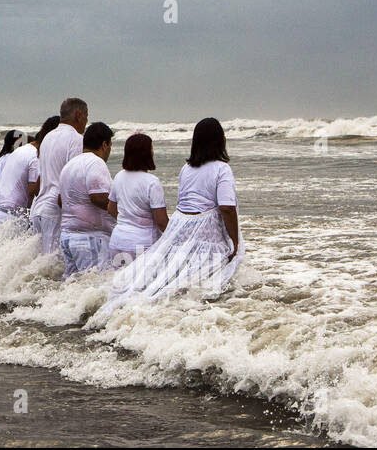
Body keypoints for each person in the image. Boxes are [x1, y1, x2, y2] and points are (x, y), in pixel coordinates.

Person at [92, 118, 243, 323]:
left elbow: (183, 203)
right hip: (205, 232)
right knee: (204, 280)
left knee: (170, 276)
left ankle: (135, 313)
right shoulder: (221, 169)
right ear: (219, 141)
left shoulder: (186, 169)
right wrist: (234, 241)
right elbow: (226, 207)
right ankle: (192, 318)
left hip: (179, 229)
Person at [30, 98, 89, 255]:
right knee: (54, 266)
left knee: (42, 264)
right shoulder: (76, 139)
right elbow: (74, 177)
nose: (86, 121)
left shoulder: (47, 138)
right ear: (78, 115)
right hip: (55, 211)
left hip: (39, 209)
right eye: (86, 115)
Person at [57, 122, 115, 277]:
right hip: (89, 238)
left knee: (74, 285)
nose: (109, 150)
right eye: (110, 145)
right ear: (104, 145)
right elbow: (97, 197)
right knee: (95, 284)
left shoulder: (70, 165)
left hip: (67, 236)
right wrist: (122, 214)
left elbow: (60, 200)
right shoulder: (96, 163)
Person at [107, 133, 168, 264]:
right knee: (143, 283)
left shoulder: (119, 177)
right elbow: (161, 222)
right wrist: (176, 237)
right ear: (146, 153)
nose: (153, 152)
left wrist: (128, 220)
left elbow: (111, 209)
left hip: (117, 241)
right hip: (141, 244)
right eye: (151, 148)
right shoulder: (152, 182)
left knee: (118, 282)